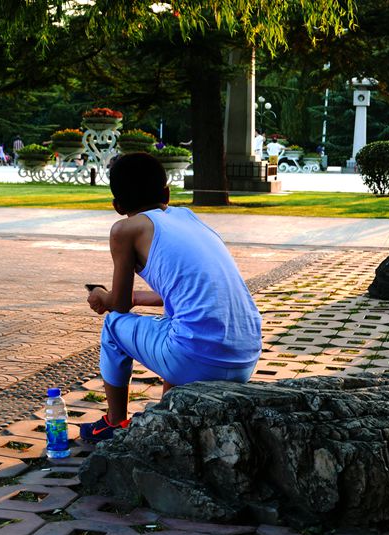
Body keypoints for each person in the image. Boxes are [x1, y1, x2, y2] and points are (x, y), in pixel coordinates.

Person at [80, 153, 262, 442]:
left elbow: (121, 305)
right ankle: (170, 414)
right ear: (166, 193)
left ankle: (115, 423)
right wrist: (132, 296)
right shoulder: (187, 218)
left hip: (198, 359)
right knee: (179, 322)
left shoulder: (125, 230)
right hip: (245, 356)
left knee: (113, 326)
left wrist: (103, 295)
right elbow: (188, 292)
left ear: (117, 206)